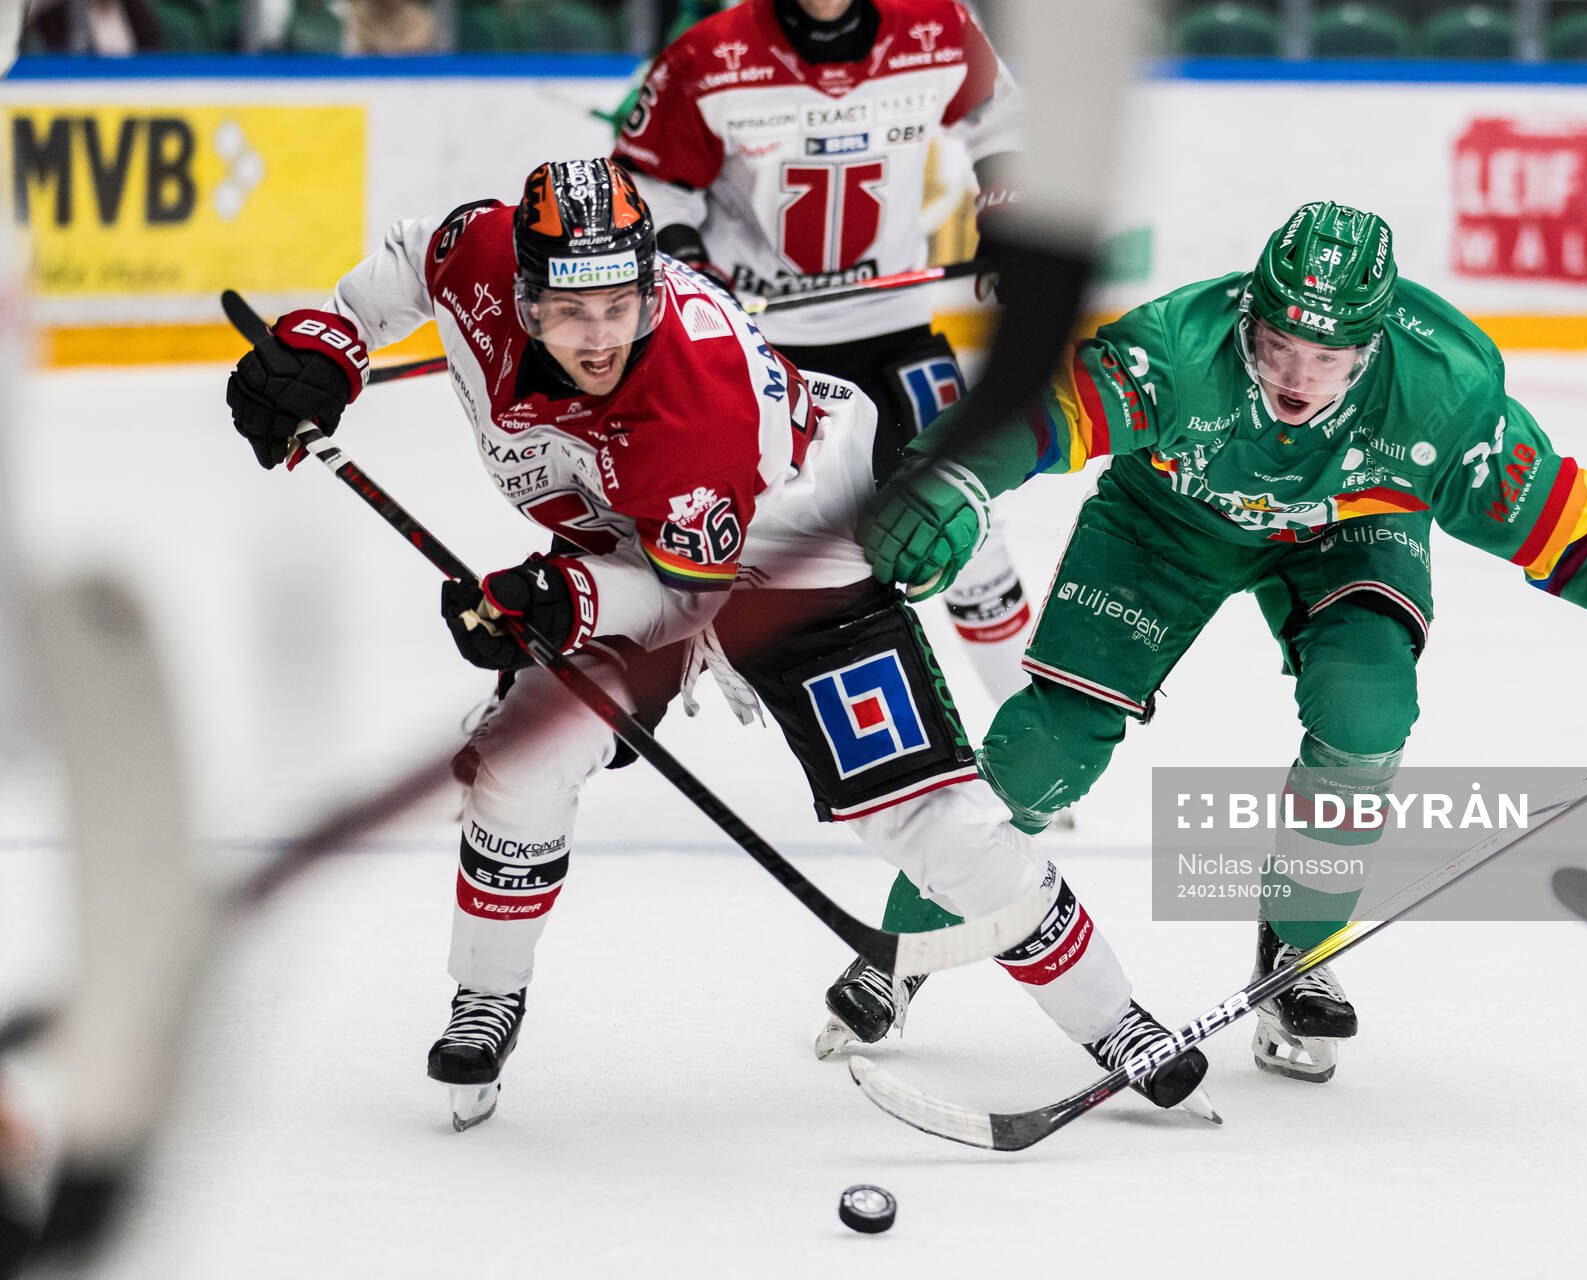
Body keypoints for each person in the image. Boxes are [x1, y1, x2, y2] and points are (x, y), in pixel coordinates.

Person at [222, 158, 1211, 1129]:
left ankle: (1116, 1019)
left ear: (650, 289)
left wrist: (557, 599)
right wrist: (328, 345)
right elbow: (412, 260)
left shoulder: (697, 394)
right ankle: (486, 996)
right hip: (629, 543)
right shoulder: (477, 253)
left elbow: (687, 600)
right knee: (521, 763)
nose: (599, 337)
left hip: (795, 560)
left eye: (620, 306)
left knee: (940, 828)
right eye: (570, 312)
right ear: (521, 296)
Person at [841, 199, 1587, 1082]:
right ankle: (903, 948)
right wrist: (955, 475)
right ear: (1248, 315)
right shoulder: (1177, 349)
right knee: (1050, 747)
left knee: (1368, 712)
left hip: (1349, 529)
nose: (1296, 377)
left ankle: (1298, 950)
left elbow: (1581, 521)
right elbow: (1044, 411)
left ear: (1374, 344)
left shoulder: (1441, 400)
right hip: (1168, 523)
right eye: (1277, 345)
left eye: (1327, 358)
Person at [608, 0, 1056, 1046]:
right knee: (692, 532)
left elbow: (1002, 122)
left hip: (890, 329)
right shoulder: (710, 54)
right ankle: (598, 704)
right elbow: (639, 185)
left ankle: (1026, 740)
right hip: (752, 343)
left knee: (967, 523)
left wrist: (1006, 213)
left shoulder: (937, 25)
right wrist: (684, 254)